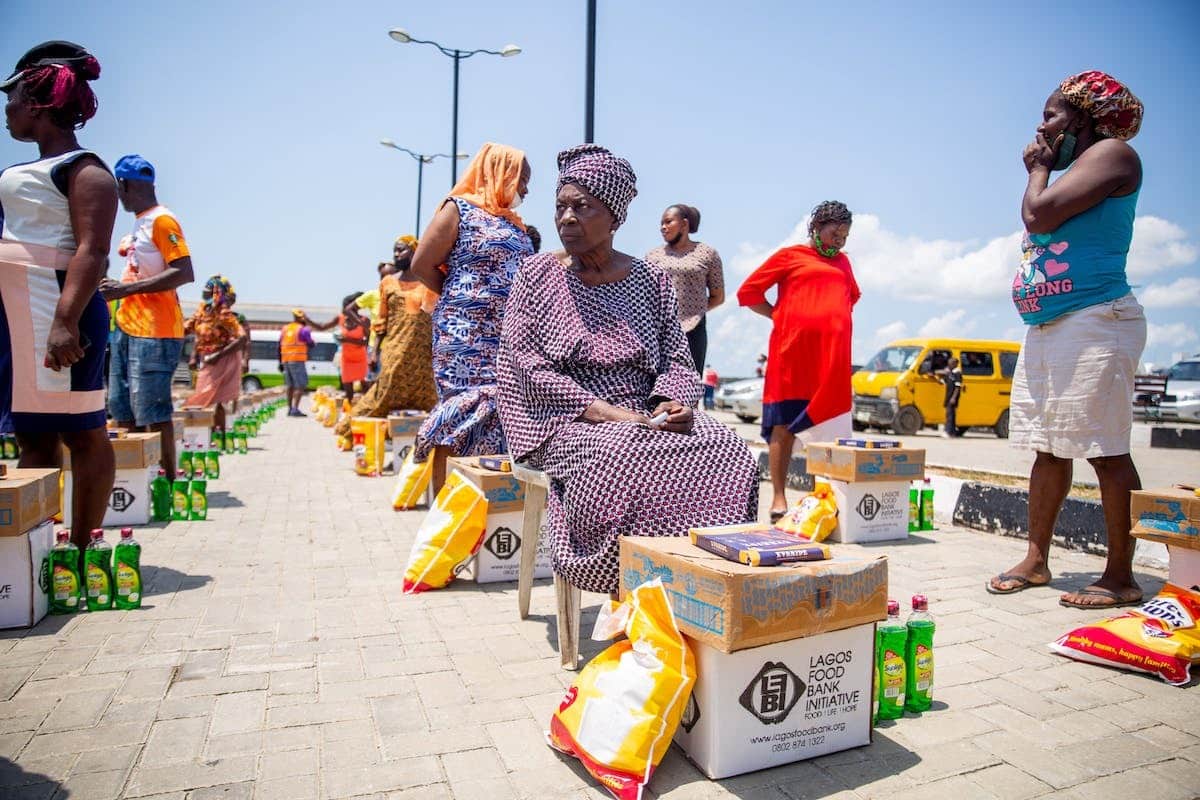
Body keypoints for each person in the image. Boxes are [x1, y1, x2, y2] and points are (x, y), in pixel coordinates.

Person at [497, 144, 758, 594]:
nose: (566, 218)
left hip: (642, 412)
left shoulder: (650, 279)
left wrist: (671, 403)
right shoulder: (536, 274)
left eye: (582, 207)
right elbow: (527, 364)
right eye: (560, 207)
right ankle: (630, 578)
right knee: (620, 453)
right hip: (559, 418)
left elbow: (677, 357)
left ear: (614, 217)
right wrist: (608, 414)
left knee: (725, 446)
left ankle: (703, 580)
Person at [989, 71, 1148, 610]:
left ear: (1084, 117)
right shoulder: (1076, 166)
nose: (1042, 125)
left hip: (1098, 319)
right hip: (1051, 325)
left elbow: (1038, 214)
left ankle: (1120, 576)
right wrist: (1049, 168)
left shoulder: (1113, 154)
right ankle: (1036, 560)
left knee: (1105, 450)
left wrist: (1038, 169)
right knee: (1049, 449)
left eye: (1053, 114)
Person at [0, 40, 116, 556]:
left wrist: (65, 321)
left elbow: (92, 252)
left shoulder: (84, 169)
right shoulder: (21, 171)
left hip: (55, 313)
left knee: (82, 432)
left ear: (39, 104)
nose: (7, 109)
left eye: (15, 98)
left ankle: (85, 547)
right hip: (18, 316)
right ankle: (37, 553)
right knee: (32, 434)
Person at [410, 142, 533, 489]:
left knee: (497, 412)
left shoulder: (512, 222)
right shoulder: (458, 209)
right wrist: (463, 298)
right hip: (463, 334)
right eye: (521, 178)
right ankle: (443, 503)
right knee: (462, 411)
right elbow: (422, 264)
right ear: (500, 173)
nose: (525, 189)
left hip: (506, 335)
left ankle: (484, 503)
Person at [738, 201, 860, 522]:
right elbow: (749, 292)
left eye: (845, 236)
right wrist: (779, 313)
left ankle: (827, 501)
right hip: (791, 358)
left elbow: (850, 299)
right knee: (783, 426)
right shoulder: (790, 256)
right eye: (835, 232)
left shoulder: (844, 263)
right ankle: (779, 498)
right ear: (817, 226)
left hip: (829, 364)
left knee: (831, 431)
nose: (839, 240)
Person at [99, 153, 194, 480]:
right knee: (122, 410)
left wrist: (124, 291)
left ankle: (168, 481)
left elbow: (183, 272)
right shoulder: (140, 222)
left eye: (117, 189)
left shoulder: (162, 220)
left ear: (123, 185)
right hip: (127, 327)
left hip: (155, 331)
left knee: (153, 410)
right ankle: (132, 482)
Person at [334, 236, 438, 443]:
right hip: (395, 351)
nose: (397, 254)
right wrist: (374, 351)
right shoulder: (388, 283)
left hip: (424, 355)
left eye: (402, 250)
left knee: (428, 399)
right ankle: (349, 428)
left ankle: (419, 441)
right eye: (395, 251)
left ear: (415, 252)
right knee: (383, 395)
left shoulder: (429, 282)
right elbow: (381, 321)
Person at [644, 204, 724, 374]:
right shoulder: (653, 256)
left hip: (694, 329)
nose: (663, 227)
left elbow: (718, 296)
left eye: (668, 222)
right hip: (658, 330)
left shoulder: (708, 254)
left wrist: (694, 310)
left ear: (684, 224)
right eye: (661, 224)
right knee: (657, 386)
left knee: (690, 385)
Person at [183, 275, 245, 433]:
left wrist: (217, 356)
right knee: (206, 398)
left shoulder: (223, 313)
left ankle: (218, 436)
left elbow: (243, 338)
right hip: (207, 358)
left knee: (214, 399)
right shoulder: (202, 310)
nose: (204, 292)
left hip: (223, 358)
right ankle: (211, 434)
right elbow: (191, 330)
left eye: (208, 290)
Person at [279, 309, 316, 416]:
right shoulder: (303, 330)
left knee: (290, 386)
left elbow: (279, 345)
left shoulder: (285, 328)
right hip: (297, 360)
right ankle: (295, 409)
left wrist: (280, 362)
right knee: (301, 385)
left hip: (286, 360)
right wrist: (313, 343)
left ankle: (290, 409)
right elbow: (310, 343)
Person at [337, 292, 369, 402]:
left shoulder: (364, 321)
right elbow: (322, 327)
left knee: (365, 386)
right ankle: (348, 411)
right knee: (348, 389)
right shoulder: (341, 319)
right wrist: (307, 320)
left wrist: (347, 340)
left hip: (360, 358)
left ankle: (368, 408)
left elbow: (367, 342)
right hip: (346, 358)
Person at [937, 357, 964, 438]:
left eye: (951, 363)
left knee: (950, 415)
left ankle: (948, 431)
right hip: (948, 396)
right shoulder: (950, 373)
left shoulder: (957, 373)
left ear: (955, 364)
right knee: (951, 414)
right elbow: (944, 381)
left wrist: (954, 398)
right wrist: (937, 378)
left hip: (952, 397)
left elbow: (957, 387)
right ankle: (952, 432)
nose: (949, 365)